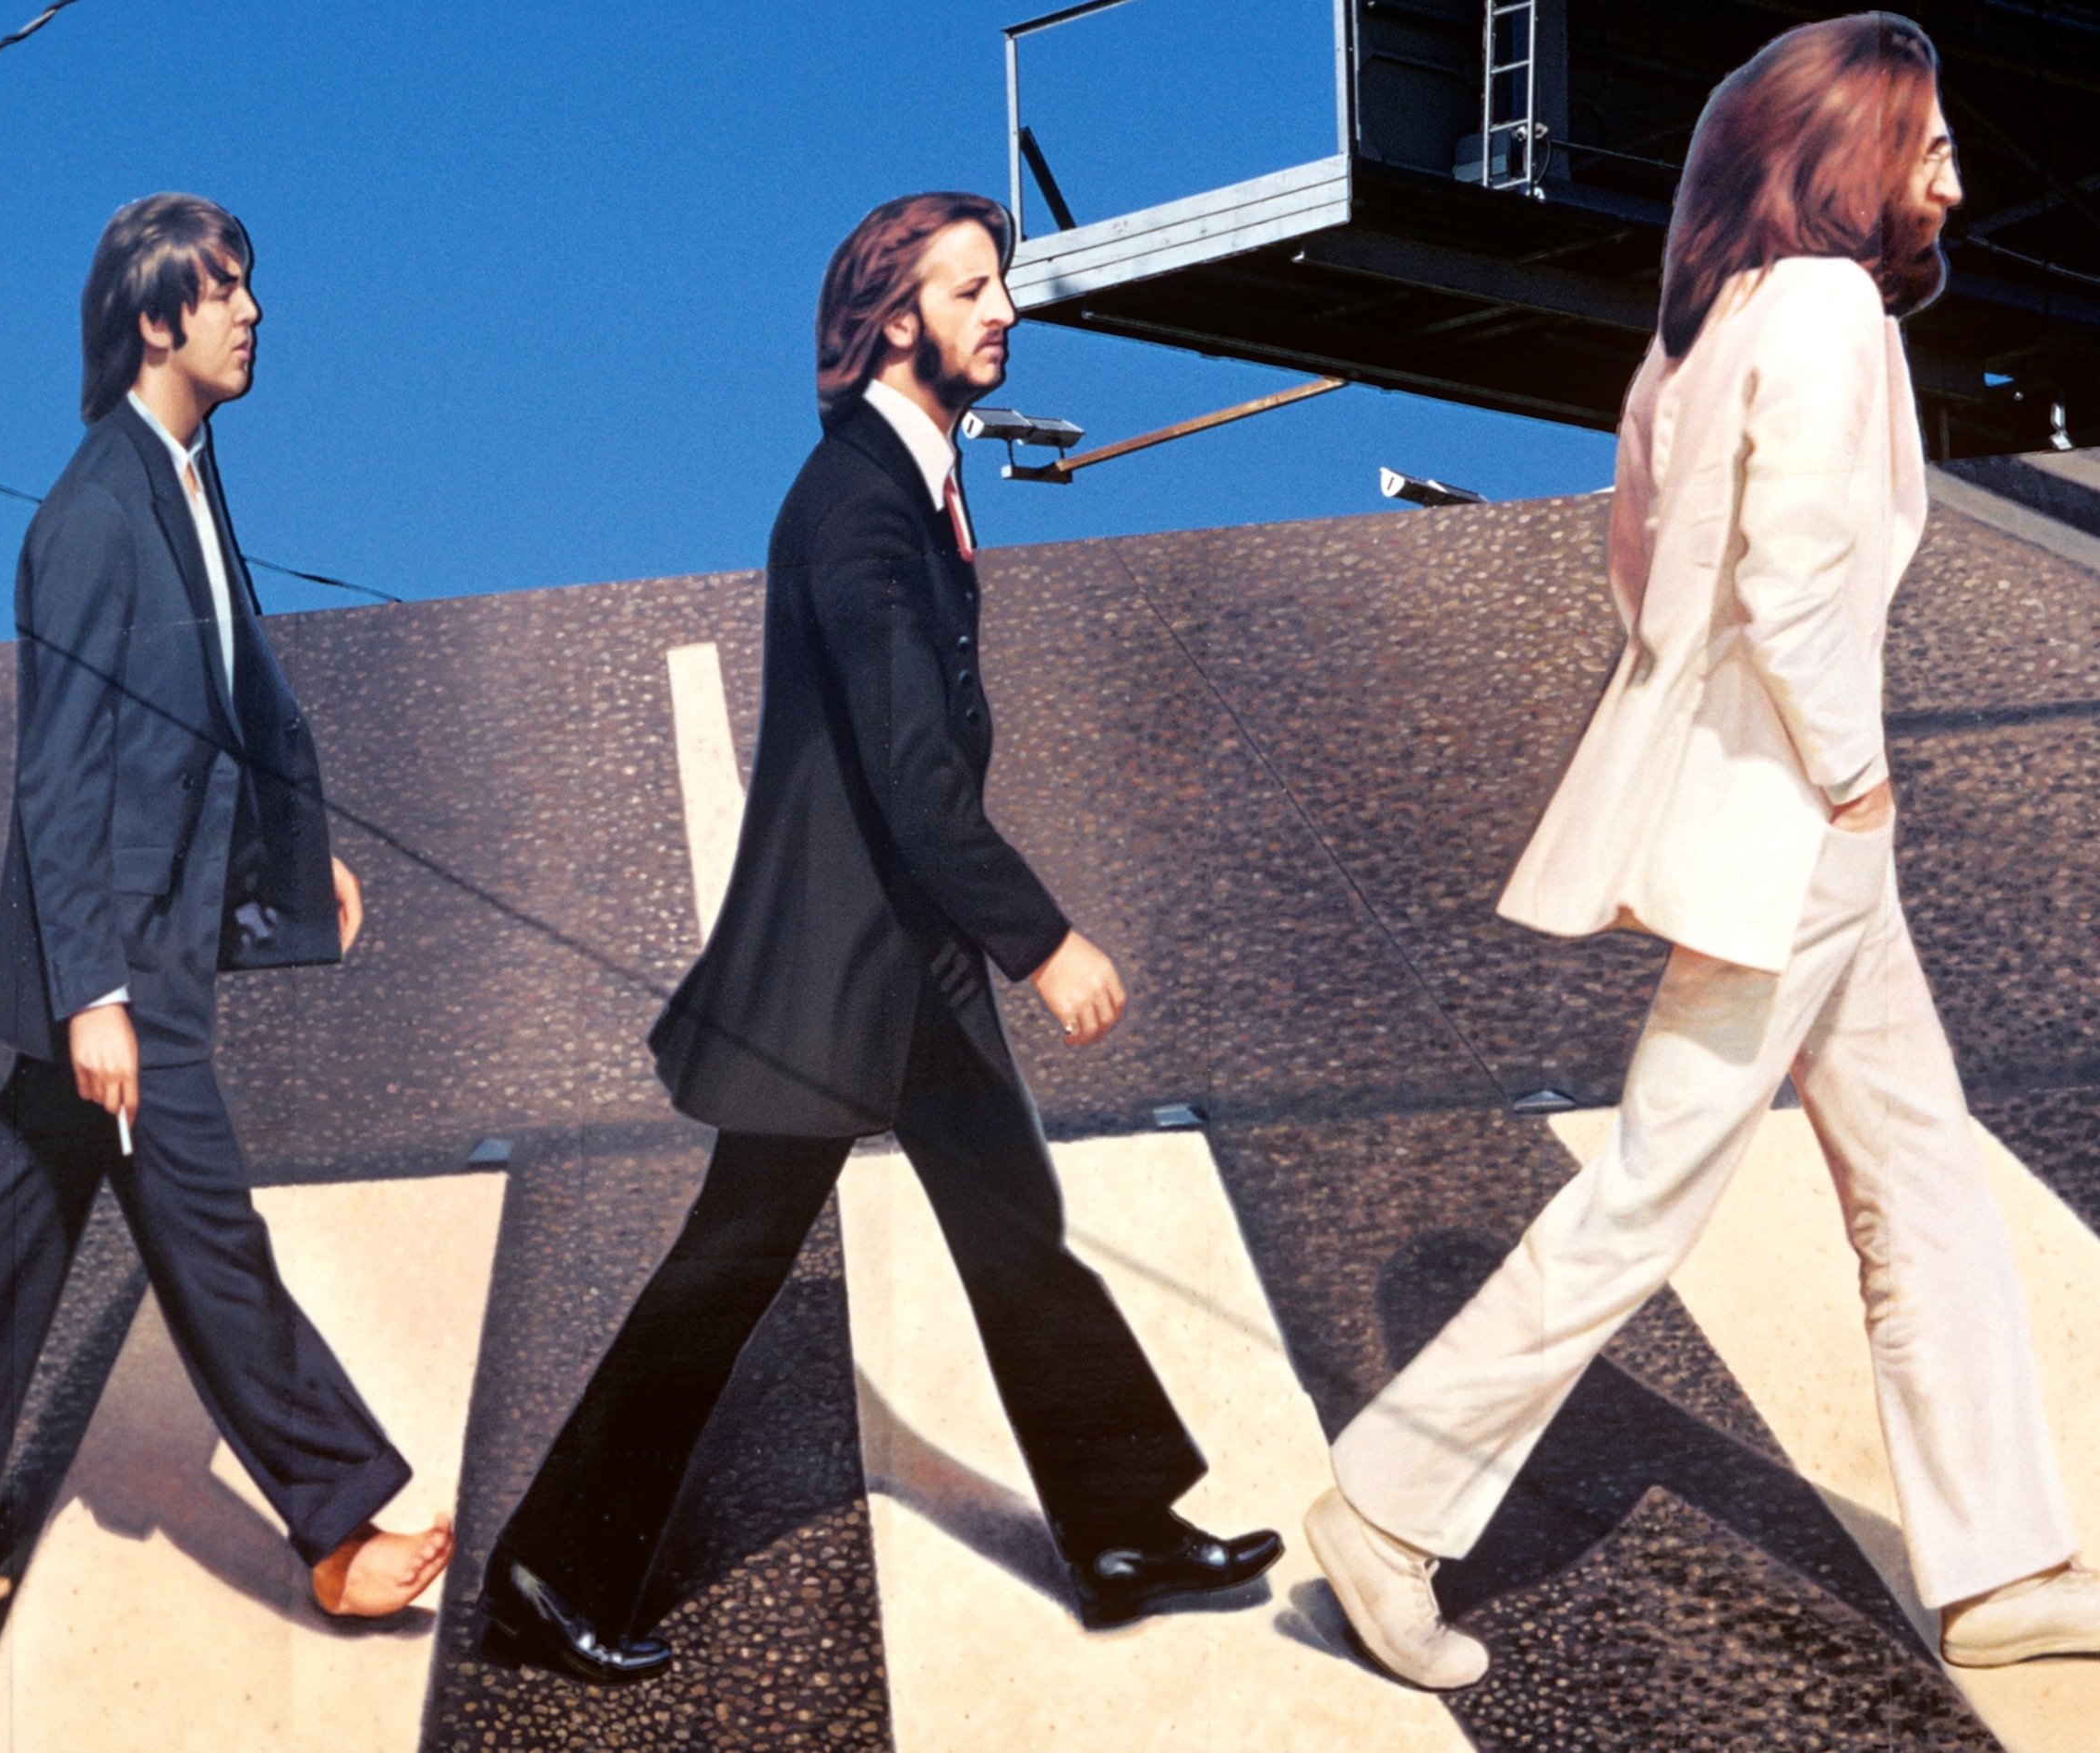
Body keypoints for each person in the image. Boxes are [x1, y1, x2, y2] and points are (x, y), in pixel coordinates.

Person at [1306, 12, 2100, 1689]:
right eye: (1931, 141)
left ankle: (2004, 1568)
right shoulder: (1824, 311)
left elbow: (1644, 568)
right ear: (1852, 154)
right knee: (1649, 1192)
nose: (1955, 175)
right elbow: (1793, 588)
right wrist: (1852, 779)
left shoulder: (1709, 323)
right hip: (1801, 829)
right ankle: (1387, 1509)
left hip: (1779, 821)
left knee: (1923, 1177)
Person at [479, 190, 1281, 1685]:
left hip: (905, 959)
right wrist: (1043, 941)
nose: (1005, 310)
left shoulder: (910, 481)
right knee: (731, 1260)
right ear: (896, 319)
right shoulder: (855, 507)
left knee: (1012, 1223)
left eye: (1001, 285)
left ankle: (1119, 1530)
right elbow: (912, 773)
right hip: (837, 970)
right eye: (972, 289)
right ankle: (548, 1569)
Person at [0, 194, 450, 1619]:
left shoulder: (185, 478)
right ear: (156, 320)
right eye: (224, 291)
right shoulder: (98, 514)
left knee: (19, 1208)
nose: (252, 312)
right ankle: (337, 1525)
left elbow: (218, 706)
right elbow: (60, 773)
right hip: (125, 952)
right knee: (210, 1232)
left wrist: (296, 857)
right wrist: (92, 994)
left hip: (153, 922)